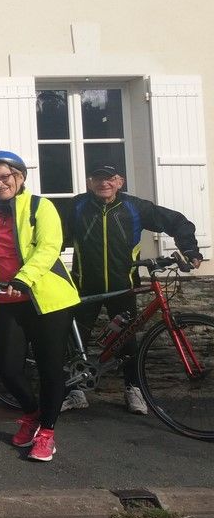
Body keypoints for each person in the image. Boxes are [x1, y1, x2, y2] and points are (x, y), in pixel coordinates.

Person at [0, 151, 80, 462]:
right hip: (5, 298)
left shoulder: (42, 206)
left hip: (47, 300)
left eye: (4, 177)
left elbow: (49, 247)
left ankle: (48, 434)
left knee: (50, 369)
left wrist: (24, 278)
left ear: (19, 177)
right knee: (7, 367)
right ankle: (32, 413)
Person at [60, 163, 203, 415]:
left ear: (120, 181)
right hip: (83, 286)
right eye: (97, 178)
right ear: (90, 182)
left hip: (124, 287)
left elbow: (177, 221)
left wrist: (189, 249)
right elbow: (51, 236)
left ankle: (133, 389)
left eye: (110, 178)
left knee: (127, 340)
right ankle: (75, 390)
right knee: (74, 339)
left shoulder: (135, 207)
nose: (104, 183)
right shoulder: (76, 207)